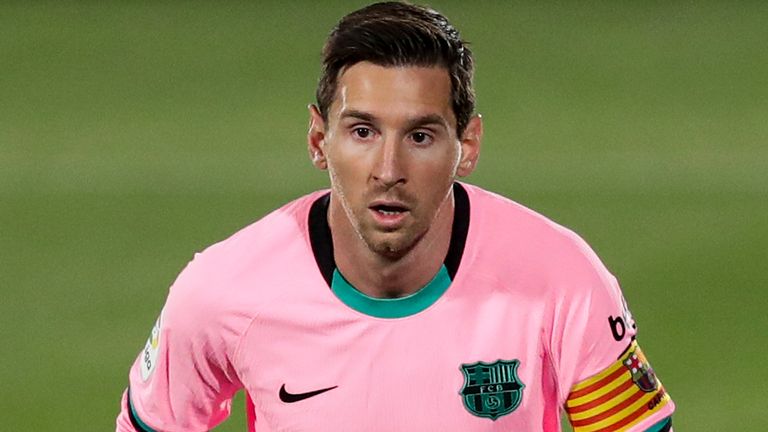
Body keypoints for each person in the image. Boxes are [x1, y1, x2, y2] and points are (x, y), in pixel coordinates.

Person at [117, 2, 675, 431]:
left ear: (468, 145)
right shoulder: (220, 292)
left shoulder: (562, 280)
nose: (389, 168)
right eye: (362, 131)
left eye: (421, 135)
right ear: (318, 139)